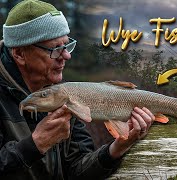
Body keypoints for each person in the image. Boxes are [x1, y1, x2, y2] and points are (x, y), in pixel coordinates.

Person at [0, 0, 155, 179]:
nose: (66, 55)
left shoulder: (64, 94)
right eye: (56, 49)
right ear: (19, 54)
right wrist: (35, 145)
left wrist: (115, 149)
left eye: (66, 45)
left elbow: (76, 171)